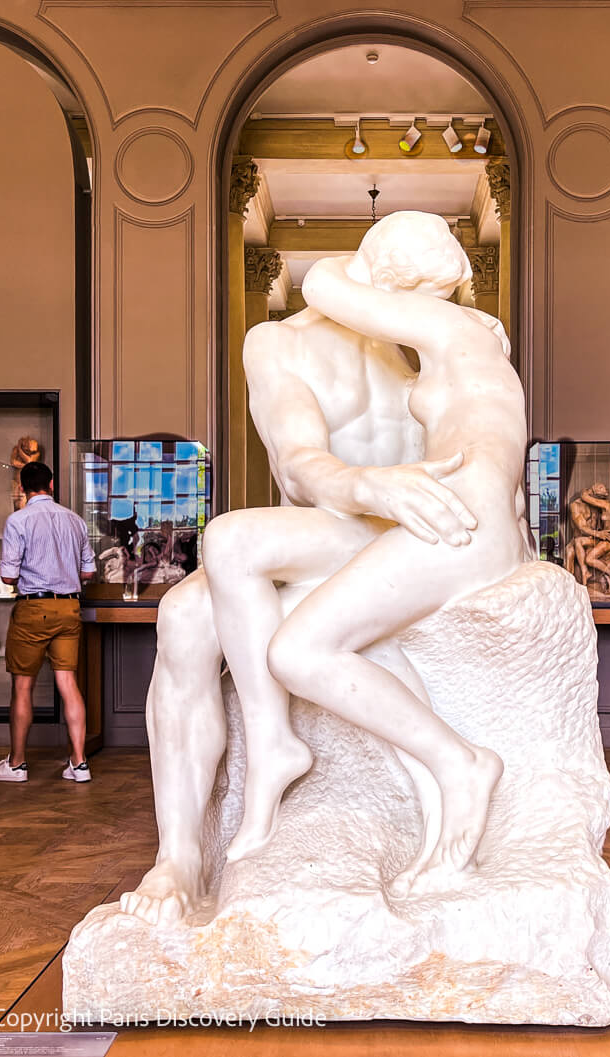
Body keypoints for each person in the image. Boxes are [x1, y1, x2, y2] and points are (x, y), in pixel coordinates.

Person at [119, 220, 499, 927]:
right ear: (386, 284)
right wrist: (373, 487)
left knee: (229, 559)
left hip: (415, 543)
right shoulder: (280, 342)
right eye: (430, 297)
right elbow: (298, 461)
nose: (435, 313)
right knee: (182, 615)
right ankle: (179, 855)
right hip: (331, 525)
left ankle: (278, 751)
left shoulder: (438, 341)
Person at [204, 212, 528, 892]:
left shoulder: (447, 330)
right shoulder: (461, 340)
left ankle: (459, 762)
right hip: (461, 514)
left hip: (458, 520)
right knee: (260, 593)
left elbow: (323, 281)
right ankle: (289, 749)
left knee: (296, 649)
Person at [0, 461, 96, 783]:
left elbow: (8, 576)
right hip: (70, 608)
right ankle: (79, 762)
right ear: (52, 484)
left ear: (22, 487)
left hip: (33, 609)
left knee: (22, 686)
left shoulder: (19, 520)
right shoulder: (74, 520)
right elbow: (88, 572)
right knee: (68, 684)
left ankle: (17, 764)